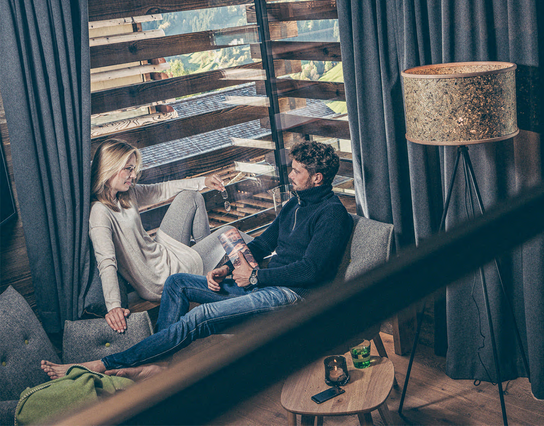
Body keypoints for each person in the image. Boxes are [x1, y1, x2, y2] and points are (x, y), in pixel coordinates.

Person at [42, 140, 352, 377]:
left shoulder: (332, 214)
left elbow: (312, 270)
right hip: (263, 284)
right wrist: (226, 269)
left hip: (292, 295)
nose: (291, 174)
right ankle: (161, 362)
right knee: (178, 283)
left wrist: (256, 277)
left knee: (198, 317)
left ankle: (103, 364)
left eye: (297, 170)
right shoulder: (293, 205)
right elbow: (262, 244)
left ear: (317, 178)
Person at [89, 139, 232, 333]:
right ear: (110, 168)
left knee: (191, 196)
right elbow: (106, 261)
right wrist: (113, 306)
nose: (133, 175)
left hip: (160, 254)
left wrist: (204, 182)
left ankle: (204, 274)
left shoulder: (125, 194)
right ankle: (208, 272)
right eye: (129, 169)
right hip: (156, 278)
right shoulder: (99, 212)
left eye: (134, 169)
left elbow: (161, 190)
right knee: (230, 233)